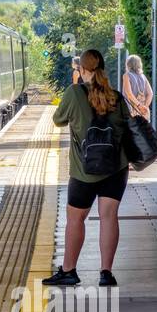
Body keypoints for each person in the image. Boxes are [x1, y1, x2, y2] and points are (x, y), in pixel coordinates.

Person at [45, 48, 131, 288]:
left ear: (82, 70)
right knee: (109, 217)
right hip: (116, 167)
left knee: (75, 218)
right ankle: (106, 273)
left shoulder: (74, 93)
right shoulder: (116, 96)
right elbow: (126, 125)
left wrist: (76, 86)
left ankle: (69, 270)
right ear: (102, 69)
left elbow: (58, 119)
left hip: (84, 168)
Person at [121, 54, 154, 121]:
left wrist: (139, 106)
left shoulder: (126, 75)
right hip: (143, 112)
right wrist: (145, 107)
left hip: (130, 109)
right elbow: (150, 93)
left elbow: (129, 94)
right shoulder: (143, 76)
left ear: (128, 64)